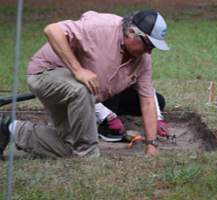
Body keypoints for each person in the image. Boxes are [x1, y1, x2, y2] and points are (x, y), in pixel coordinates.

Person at [0, 9, 170, 160]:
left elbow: (147, 100)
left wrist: (151, 145)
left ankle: (10, 129)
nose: (149, 52)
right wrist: (78, 70)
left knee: (69, 146)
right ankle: (87, 157)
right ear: (132, 32)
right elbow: (52, 30)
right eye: (148, 45)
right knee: (82, 87)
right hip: (45, 73)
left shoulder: (143, 60)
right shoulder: (101, 27)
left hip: (74, 91)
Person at [95, 87, 169, 141]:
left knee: (159, 101)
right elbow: (86, 94)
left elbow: (146, 88)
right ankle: (104, 126)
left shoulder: (141, 66)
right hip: (92, 95)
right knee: (113, 86)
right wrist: (108, 116)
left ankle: (114, 112)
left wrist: (157, 118)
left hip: (116, 90)